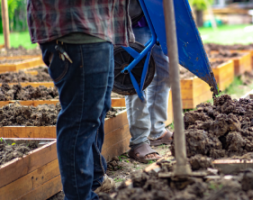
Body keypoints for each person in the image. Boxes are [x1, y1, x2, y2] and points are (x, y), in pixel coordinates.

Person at [27, 1, 134, 199]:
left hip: (99, 27)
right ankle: (80, 195)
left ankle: (95, 180)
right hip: (76, 26)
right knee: (80, 119)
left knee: (98, 110)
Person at [126, 1, 173, 163]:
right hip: (135, 19)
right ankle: (139, 141)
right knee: (137, 78)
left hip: (158, 18)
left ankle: (156, 130)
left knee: (165, 72)